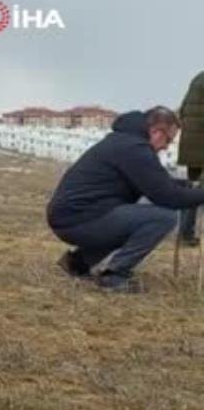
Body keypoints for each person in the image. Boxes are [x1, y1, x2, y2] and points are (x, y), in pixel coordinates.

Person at [47, 107, 204, 292]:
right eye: (168, 140)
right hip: (79, 219)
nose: (166, 147)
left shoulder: (125, 142)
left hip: (72, 216)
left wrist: (187, 186)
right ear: (156, 131)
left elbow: (156, 182)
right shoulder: (135, 149)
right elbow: (169, 197)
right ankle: (114, 276)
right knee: (163, 217)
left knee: (128, 220)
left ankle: (78, 262)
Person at [175, 70, 204, 246]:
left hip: (190, 143)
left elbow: (183, 109)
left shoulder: (198, 78)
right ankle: (186, 233)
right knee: (197, 190)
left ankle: (185, 232)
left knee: (192, 189)